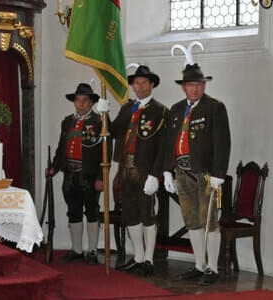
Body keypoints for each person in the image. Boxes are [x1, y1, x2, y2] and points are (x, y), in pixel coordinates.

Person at [97, 65, 168, 276]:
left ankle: (148, 260)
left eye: (144, 82)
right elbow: (112, 132)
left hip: (145, 171)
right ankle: (137, 257)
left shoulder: (161, 111)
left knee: (147, 215)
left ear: (152, 84)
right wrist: (104, 114)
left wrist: (156, 175)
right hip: (125, 170)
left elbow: (163, 147)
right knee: (130, 215)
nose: (140, 86)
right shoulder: (127, 109)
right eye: (137, 83)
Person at [163, 63, 231, 285]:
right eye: (190, 85)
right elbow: (169, 144)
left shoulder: (214, 108)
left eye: (198, 84)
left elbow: (223, 143)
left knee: (208, 220)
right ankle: (199, 265)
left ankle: (212, 268)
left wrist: (219, 172)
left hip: (205, 175)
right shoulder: (175, 109)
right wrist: (166, 171)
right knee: (192, 220)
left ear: (204, 85)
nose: (194, 89)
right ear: (183, 87)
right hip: (181, 174)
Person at [47, 83, 104, 265]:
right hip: (70, 174)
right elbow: (61, 148)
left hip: (90, 174)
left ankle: (93, 251)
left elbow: (105, 153)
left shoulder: (99, 122)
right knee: (73, 211)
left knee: (92, 211)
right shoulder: (67, 122)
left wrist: (100, 178)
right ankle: (77, 250)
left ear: (91, 102)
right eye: (78, 100)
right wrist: (54, 168)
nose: (80, 104)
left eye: (85, 100)